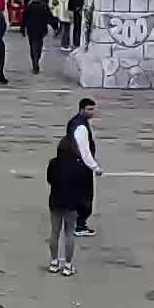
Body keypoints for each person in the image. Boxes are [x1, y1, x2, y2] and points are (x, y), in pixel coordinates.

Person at [45, 131, 92, 276]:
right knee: (69, 234)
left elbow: (49, 180)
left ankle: (54, 262)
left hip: (55, 201)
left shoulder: (53, 163)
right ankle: (68, 265)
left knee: (54, 233)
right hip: (71, 203)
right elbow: (83, 186)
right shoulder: (80, 166)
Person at [64, 98, 101, 237]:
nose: (92, 112)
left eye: (93, 109)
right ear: (81, 109)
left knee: (75, 194)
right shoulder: (81, 127)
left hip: (72, 165)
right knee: (85, 197)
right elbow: (84, 150)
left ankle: (72, 221)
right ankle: (80, 226)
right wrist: (95, 167)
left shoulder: (75, 122)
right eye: (89, 109)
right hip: (80, 167)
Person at [23, 0, 52, 74]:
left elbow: (24, 18)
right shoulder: (44, 6)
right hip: (41, 30)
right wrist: (55, 25)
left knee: (32, 47)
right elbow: (49, 17)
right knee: (39, 47)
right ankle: (36, 61)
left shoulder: (29, 6)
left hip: (31, 30)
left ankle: (34, 62)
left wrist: (22, 29)